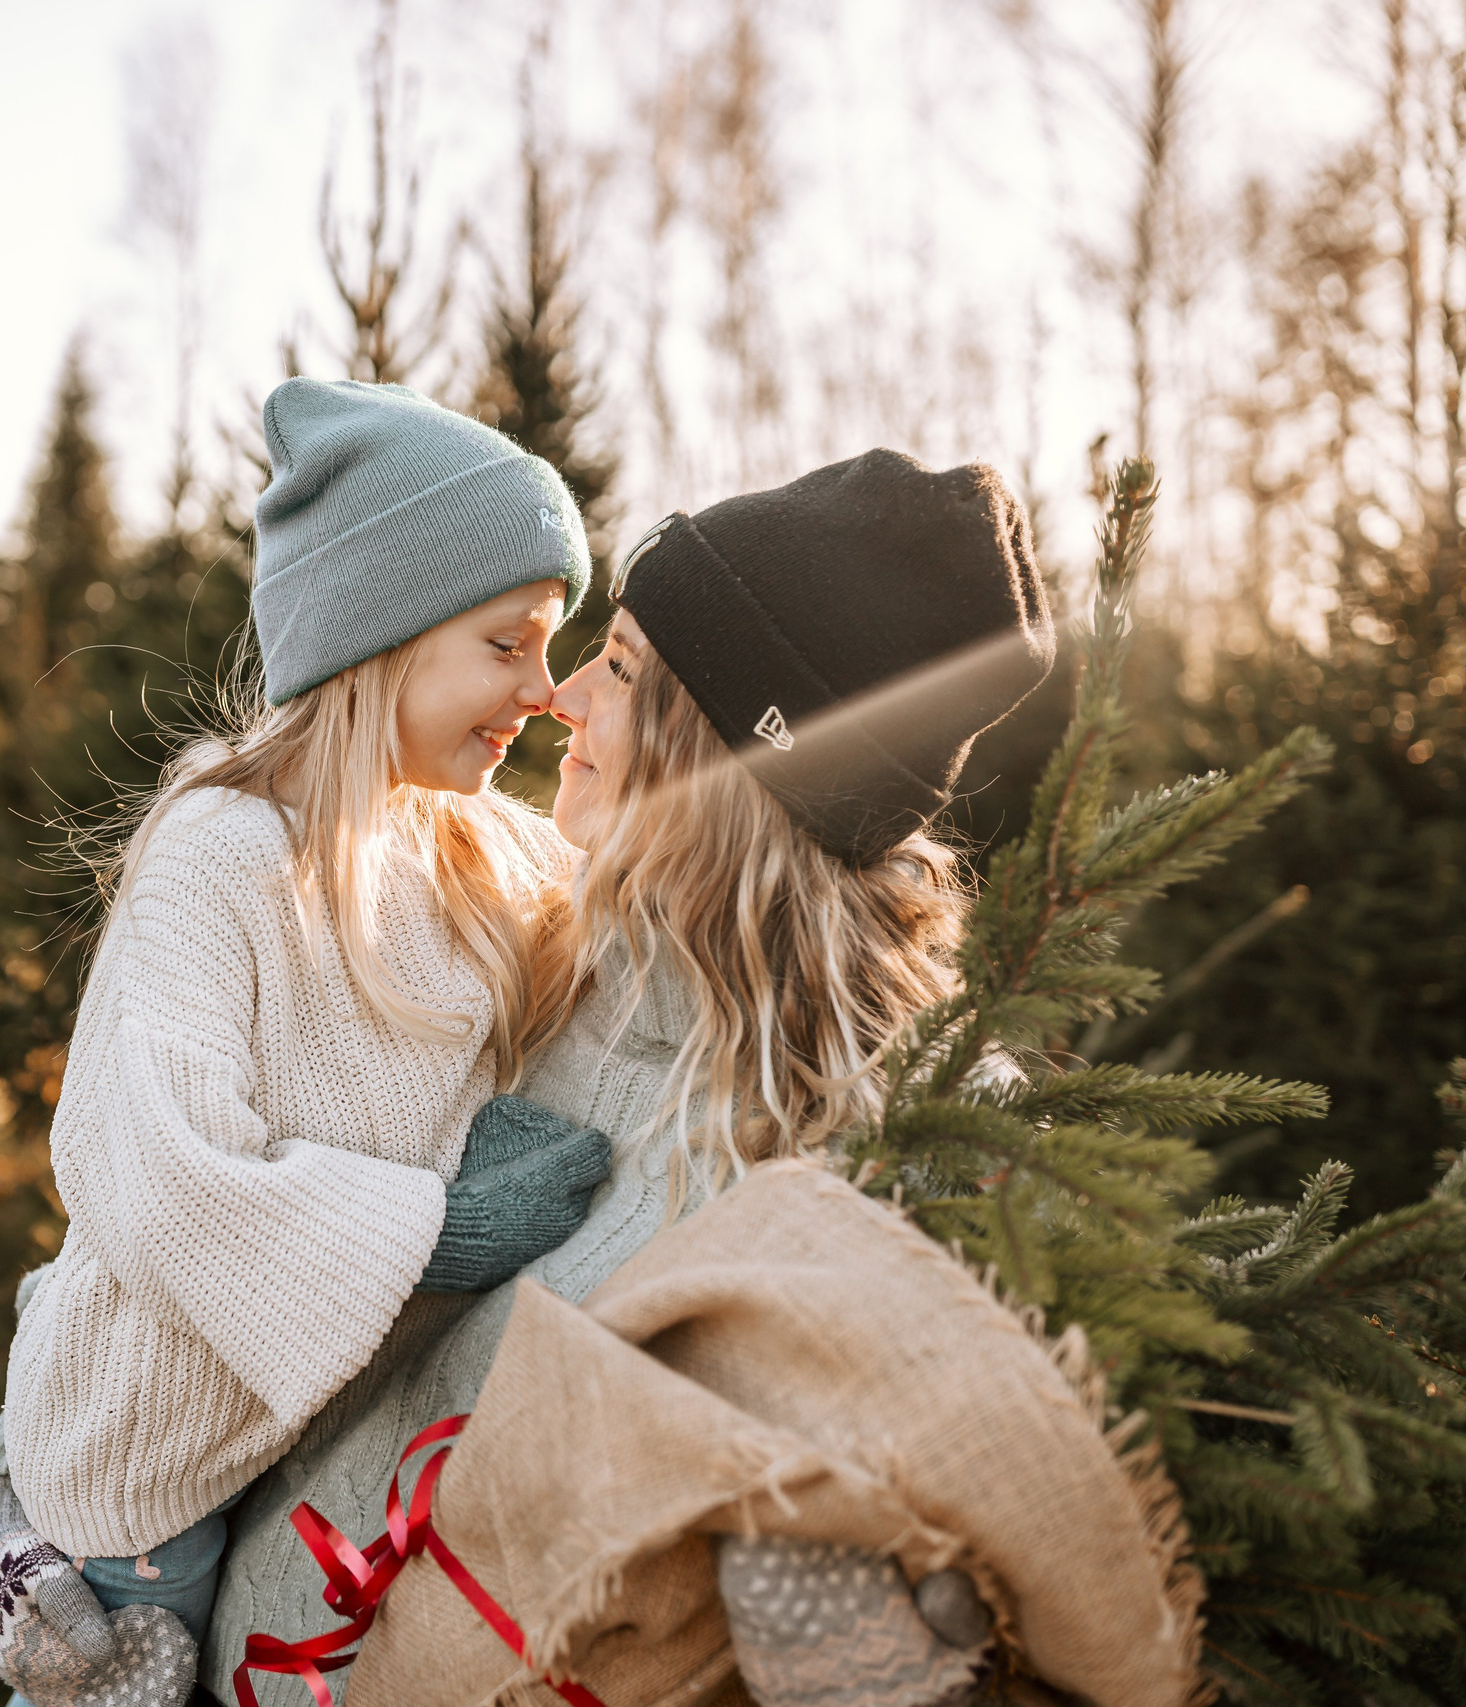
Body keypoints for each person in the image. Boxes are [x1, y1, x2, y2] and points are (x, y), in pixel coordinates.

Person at [207, 448, 1058, 1707]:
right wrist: (26, 1503)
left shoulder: (905, 1138)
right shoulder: (503, 972)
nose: (561, 702)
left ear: (721, 748)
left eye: (618, 668)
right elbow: (213, 1228)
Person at [0, 379, 618, 1707]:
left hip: (307, 1446)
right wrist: (442, 1228)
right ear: (382, 637)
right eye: (507, 644)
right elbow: (165, 1172)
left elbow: (659, 914)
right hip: (147, 1488)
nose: (542, 693)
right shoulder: (222, 852)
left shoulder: (472, 845)